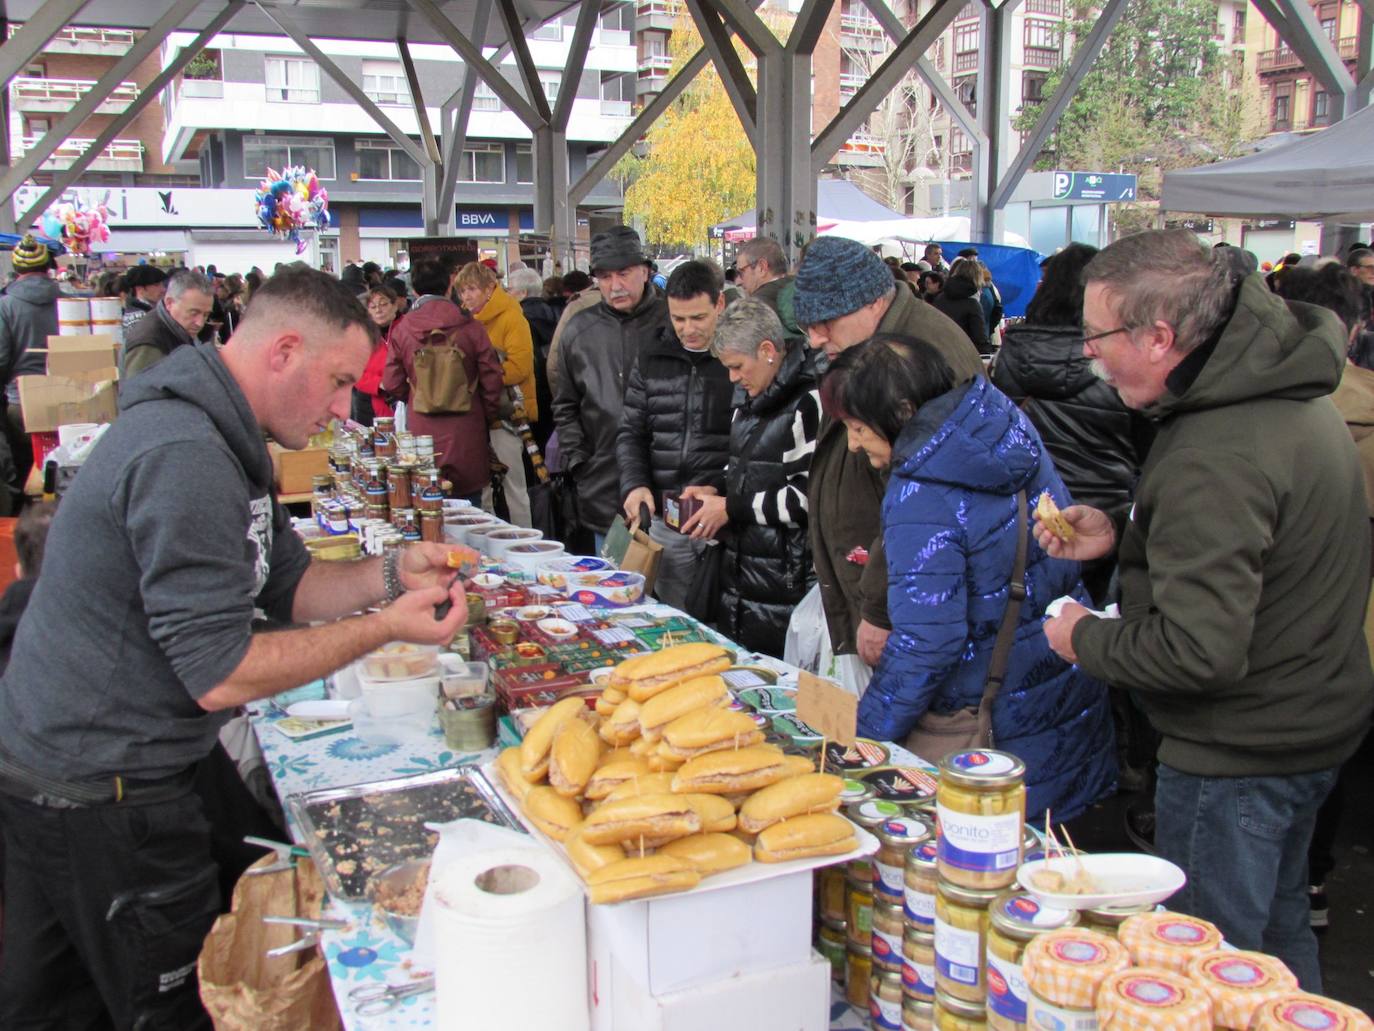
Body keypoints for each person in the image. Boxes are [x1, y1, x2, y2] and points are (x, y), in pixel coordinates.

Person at [0, 266, 470, 1029]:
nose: (342, 406)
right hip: (102, 785)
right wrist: (385, 626)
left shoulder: (222, 435)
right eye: (340, 380)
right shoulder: (184, 453)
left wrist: (389, 573)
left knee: (55, 1002)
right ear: (284, 350)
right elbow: (219, 673)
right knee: (168, 1004)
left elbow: (285, 584)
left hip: (88, 761)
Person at [1039, 229, 1372, 991]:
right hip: (1307, 723)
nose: (1088, 354)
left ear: (1159, 337)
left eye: (1095, 336)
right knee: (1278, 942)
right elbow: (1262, 543)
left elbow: (1198, 651)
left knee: (1208, 966)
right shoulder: (1274, 390)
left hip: (1238, 753)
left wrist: (1083, 636)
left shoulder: (1216, 447)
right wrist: (1124, 531)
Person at [826, 335, 1115, 819]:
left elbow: (927, 643)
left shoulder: (921, 492)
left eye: (857, 428)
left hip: (991, 737)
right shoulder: (1000, 424)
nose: (854, 444)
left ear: (900, 413)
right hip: (1064, 695)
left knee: (986, 875)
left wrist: (860, 736)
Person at [991, 243, 1154, 603]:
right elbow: (1146, 448)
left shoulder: (1013, 353)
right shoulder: (1122, 358)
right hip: (1107, 515)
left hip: (1028, 512)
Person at [683, 299, 820, 657]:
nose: (733, 377)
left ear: (768, 351)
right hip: (745, 576)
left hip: (786, 583)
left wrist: (730, 507)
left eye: (737, 366)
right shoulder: (750, 400)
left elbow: (805, 499)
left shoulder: (808, 403)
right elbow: (746, 468)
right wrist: (716, 487)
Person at [614, 260, 734, 610]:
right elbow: (631, 432)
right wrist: (634, 484)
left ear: (720, 305)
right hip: (668, 519)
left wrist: (722, 489)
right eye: (678, 319)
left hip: (724, 520)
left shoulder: (737, 357)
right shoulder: (651, 355)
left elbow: (751, 443)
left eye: (698, 318)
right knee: (675, 616)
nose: (687, 329)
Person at [552, 227, 668, 550]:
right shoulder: (578, 331)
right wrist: (579, 461)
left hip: (667, 487)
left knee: (673, 593)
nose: (615, 286)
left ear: (645, 272)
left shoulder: (673, 322)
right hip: (602, 485)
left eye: (624, 273)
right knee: (614, 587)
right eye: (604, 277)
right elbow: (565, 404)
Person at [382, 261, 505, 507]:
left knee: (427, 506)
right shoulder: (471, 326)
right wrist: (485, 413)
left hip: (422, 430)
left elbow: (392, 382)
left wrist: (419, 394)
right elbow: (492, 378)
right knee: (470, 510)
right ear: (450, 284)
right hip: (467, 428)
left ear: (414, 290)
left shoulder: (404, 328)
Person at [454, 261, 537, 527]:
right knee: (484, 487)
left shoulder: (512, 316)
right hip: (480, 413)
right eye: (462, 291)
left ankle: (526, 540)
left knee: (514, 484)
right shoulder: (465, 321)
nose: (466, 297)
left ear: (490, 288)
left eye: (471, 289)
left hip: (507, 413)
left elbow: (521, 367)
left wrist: (481, 378)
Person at [0, 235, 61, 500]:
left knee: (27, 473)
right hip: (71, 399)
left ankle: (32, 531)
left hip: (21, 404)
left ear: (16, 271)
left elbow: (1, 358)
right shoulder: (70, 301)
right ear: (48, 267)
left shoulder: (5, 306)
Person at [119, 269, 215, 380]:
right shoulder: (149, 342)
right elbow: (141, 394)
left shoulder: (178, 329)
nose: (200, 323)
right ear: (169, 303)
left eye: (206, 315)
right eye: (194, 313)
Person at [508, 267, 560, 450]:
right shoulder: (556, 313)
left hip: (531, 392)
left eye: (510, 289)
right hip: (554, 390)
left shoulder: (519, 319)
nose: (507, 293)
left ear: (523, 293)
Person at [351, 285, 404, 426]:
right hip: (377, 403)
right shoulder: (364, 336)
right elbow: (355, 372)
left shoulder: (408, 327)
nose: (378, 310)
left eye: (383, 304)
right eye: (373, 307)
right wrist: (380, 383)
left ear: (395, 305)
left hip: (408, 399)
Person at [735, 237, 802, 339]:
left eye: (741, 272)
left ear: (762, 267)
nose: (738, 281)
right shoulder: (808, 293)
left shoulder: (753, 309)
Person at [932, 258, 991, 354]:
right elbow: (980, 340)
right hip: (963, 357)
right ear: (977, 277)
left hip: (938, 354)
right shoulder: (972, 304)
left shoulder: (939, 298)